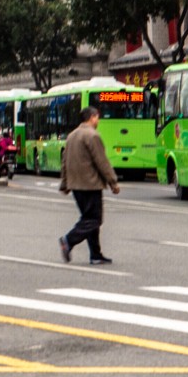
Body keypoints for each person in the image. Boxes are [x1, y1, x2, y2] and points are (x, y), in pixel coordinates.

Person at [58, 105, 120, 266]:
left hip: (76, 185)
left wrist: (65, 183)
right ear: (92, 117)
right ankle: (68, 240)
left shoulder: (71, 136)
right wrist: (112, 181)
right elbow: (102, 161)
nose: (98, 120)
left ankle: (96, 255)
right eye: (97, 117)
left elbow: (65, 162)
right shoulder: (92, 136)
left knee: (88, 219)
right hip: (90, 184)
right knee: (94, 219)